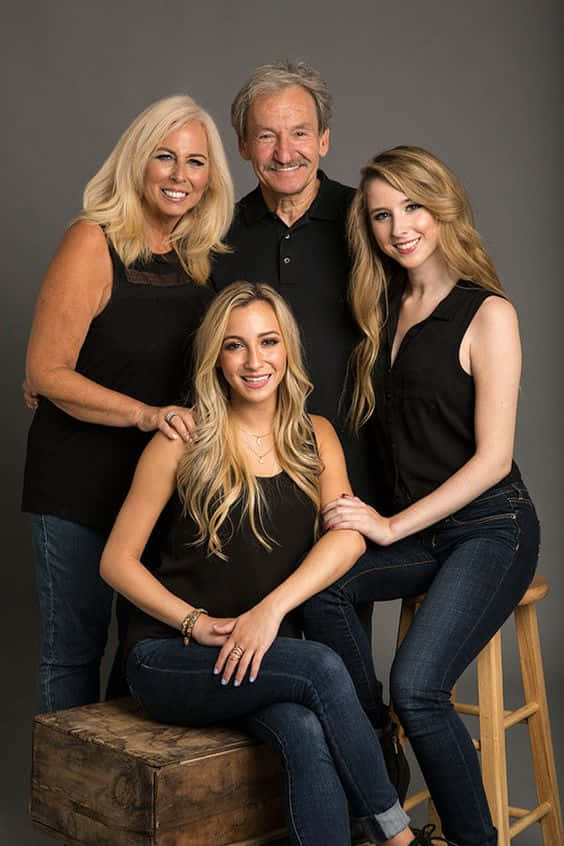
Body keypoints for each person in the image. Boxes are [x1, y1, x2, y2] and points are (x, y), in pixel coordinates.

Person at [100, 281, 434, 846]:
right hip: (171, 656)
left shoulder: (315, 436)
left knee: (303, 729)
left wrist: (269, 612)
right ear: (216, 356)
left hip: (259, 654)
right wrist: (195, 623)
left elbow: (348, 541)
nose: (255, 361)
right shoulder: (182, 441)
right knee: (322, 667)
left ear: (288, 350)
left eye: (268, 341)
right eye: (235, 345)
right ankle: (399, 840)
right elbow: (116, 561)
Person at [302, 146, 540, 846]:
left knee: (419, 687)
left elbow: (494, 460)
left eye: (412, 206)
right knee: (320, 589)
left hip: (491, 528)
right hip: (422, 532)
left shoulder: (487, 313)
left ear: (443, 208)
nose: (398, 227)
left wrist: (387, 525)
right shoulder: (382, 310)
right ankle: (373, 738)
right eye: (381, 215)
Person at [212, 61, 409, 793]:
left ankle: (371, 792)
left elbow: (433, 304)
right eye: (266, 136)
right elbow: (186, 344)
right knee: (261, 652)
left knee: (340, 637)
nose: (284, 150)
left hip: (354, 475)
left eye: (299, 133)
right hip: (249, 479)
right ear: (242, 144)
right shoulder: (219, 230)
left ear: (325, 139)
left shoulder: (368, 221)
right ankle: (280, 805)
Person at [22, 94, 234, 713]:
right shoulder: (92, 241)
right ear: (136, 162)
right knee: (74, 650)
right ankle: (67, 777)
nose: (179, 175)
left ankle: (117, 777)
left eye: (196, 162)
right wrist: (144, 414)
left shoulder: (200, 258)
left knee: (144, 647)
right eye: (165, 157)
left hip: (160, 487)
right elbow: (45, 372)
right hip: (77, 483)